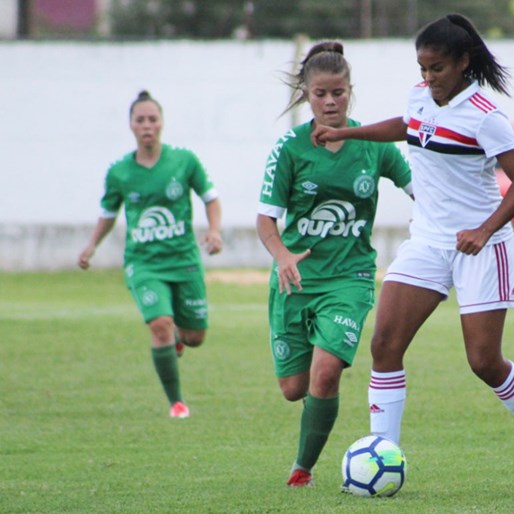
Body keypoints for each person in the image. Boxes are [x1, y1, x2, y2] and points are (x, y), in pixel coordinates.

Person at [312, 14, 514, 493]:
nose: (428, 78)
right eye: (422, 67)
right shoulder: (421, 97)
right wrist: (347, 133)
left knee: (483, 362)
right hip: (428, 241)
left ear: (462, 63)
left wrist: (484, 228)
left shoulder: (484, 116)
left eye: (436, 69)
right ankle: (382, 457)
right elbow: (407, 127)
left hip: (482, 246)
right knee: (385, 344)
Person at [256, 42, 413, 488]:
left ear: (350, 91)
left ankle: (301, 469)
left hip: (350, 277)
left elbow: (417, 185)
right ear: (307, 94)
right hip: (296, 278)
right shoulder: (289, 149)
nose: (330, 102)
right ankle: (309, 437)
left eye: (338, 93)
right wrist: (283, 255)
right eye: (321, 93)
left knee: (325, 374)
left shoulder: (373, 146)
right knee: (294, 390)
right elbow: (265, 218)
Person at [78, 90, 223, 419]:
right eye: (140, 120)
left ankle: (179, 339)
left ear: (162, 123)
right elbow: (108, 212)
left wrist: (214, 231)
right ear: (131, 125)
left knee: (195, 337)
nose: (147, 125)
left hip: (184, 260)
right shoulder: (120, 173)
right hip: (143, 264)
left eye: (152, 119)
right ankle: (177, 402)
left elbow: (211, 199)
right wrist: (91, 245)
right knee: (159, 324)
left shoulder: (184, 161)